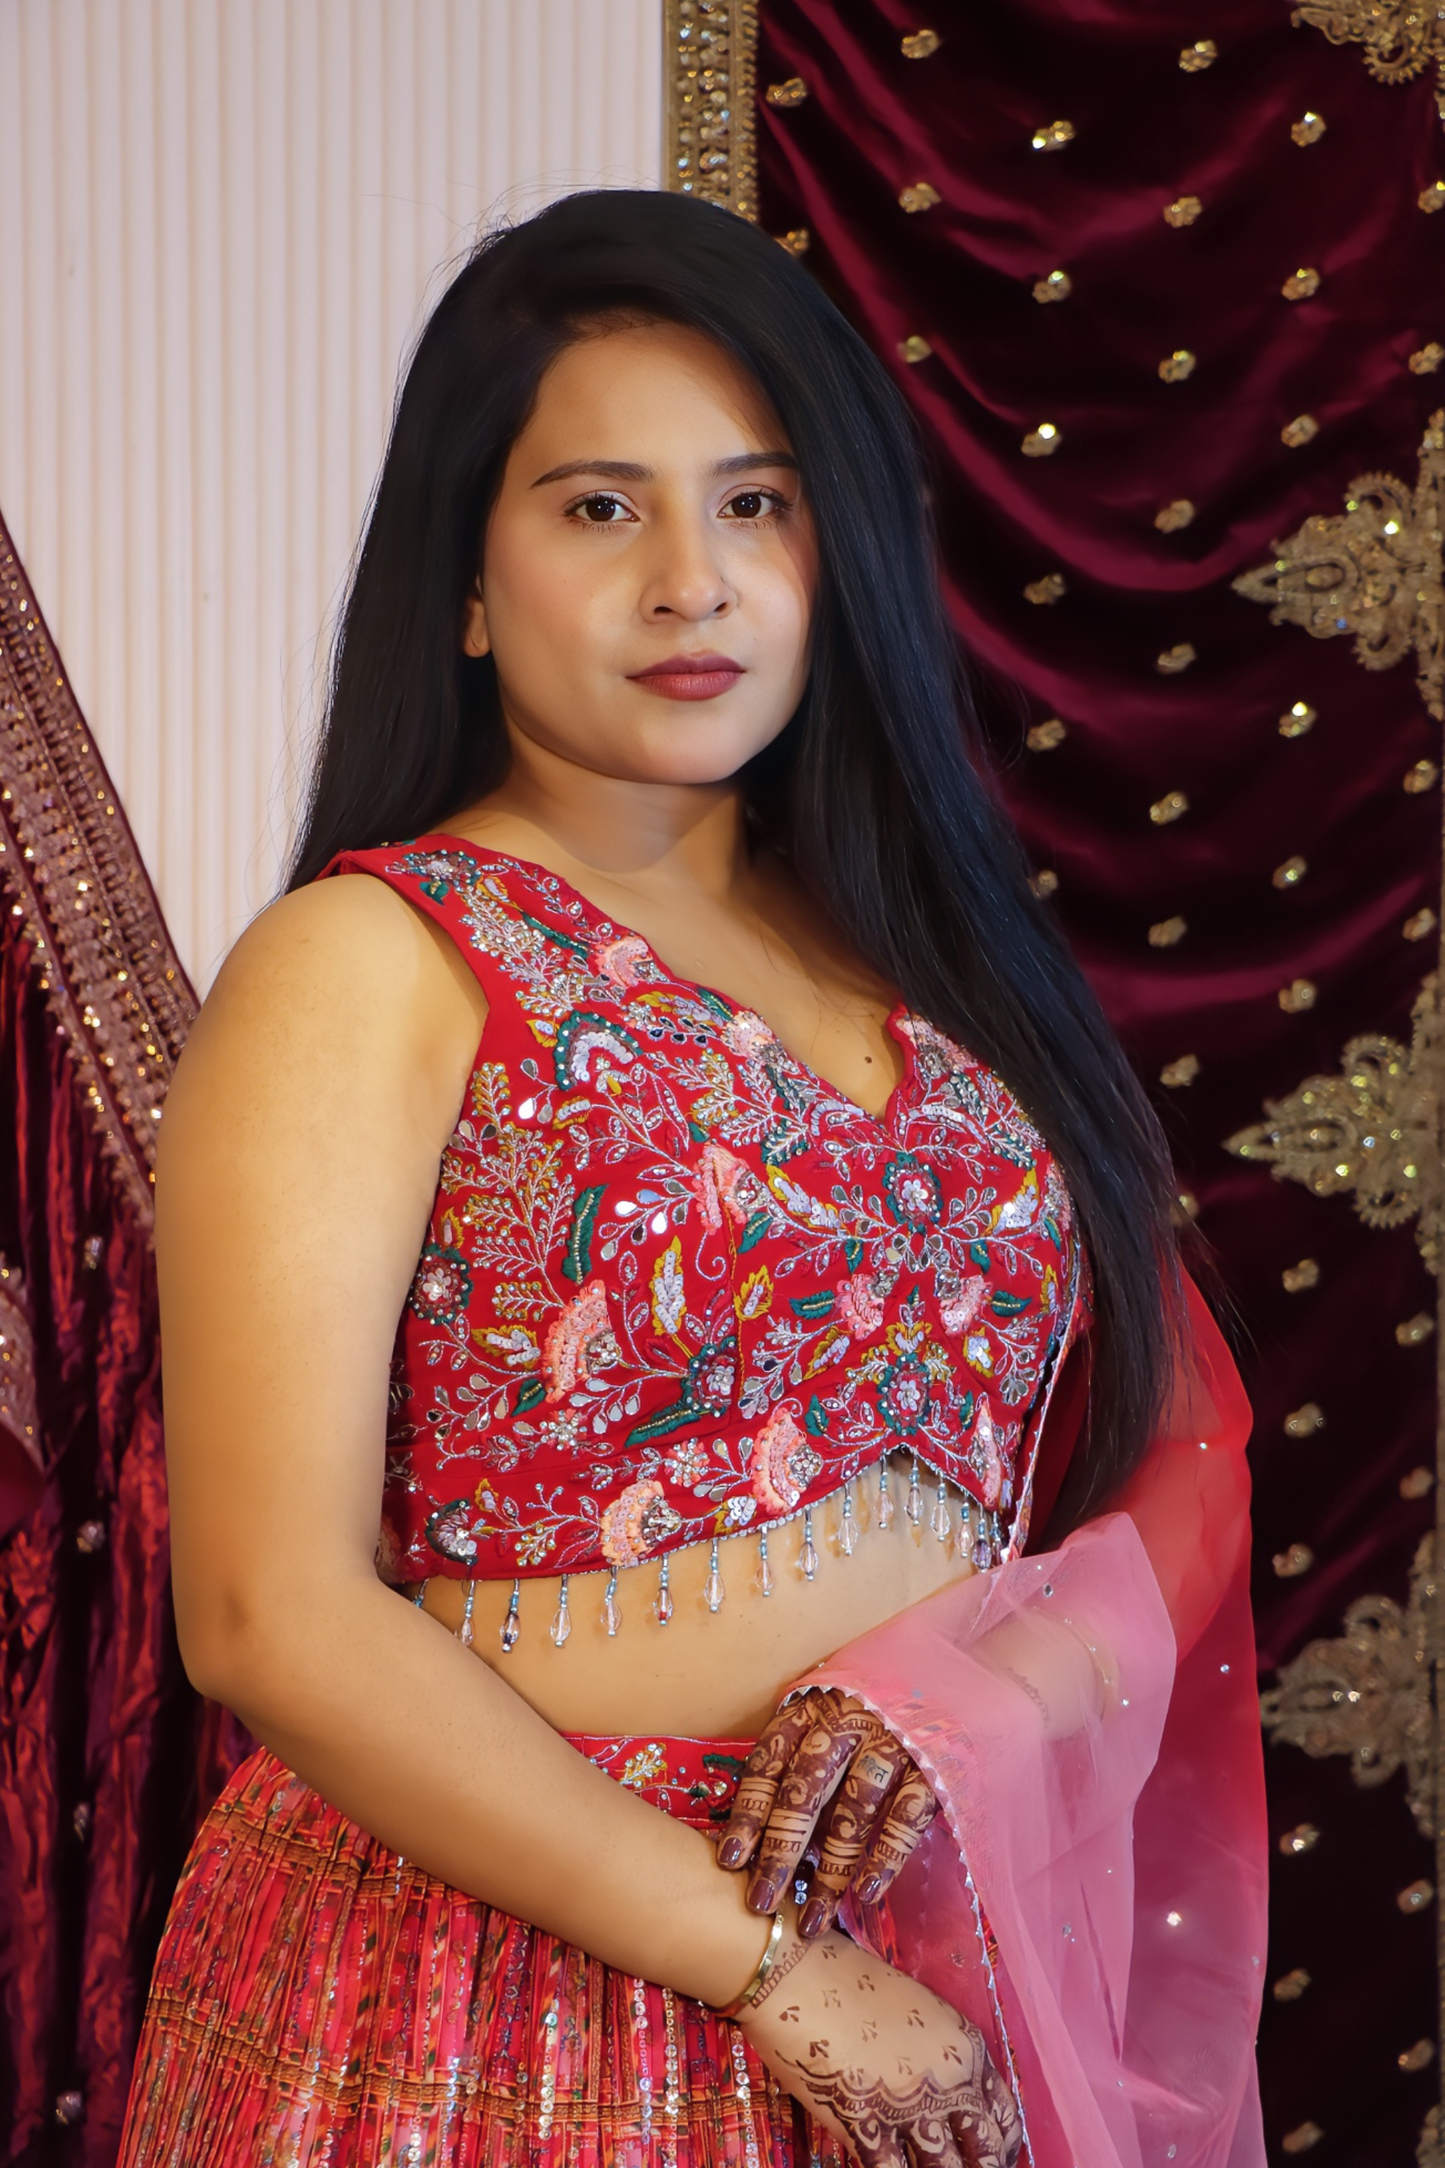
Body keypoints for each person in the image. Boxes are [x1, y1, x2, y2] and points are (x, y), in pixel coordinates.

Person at [119, 191, 1266, 2167]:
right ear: (464, 581)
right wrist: (767, 1965)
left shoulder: (944, 979)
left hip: (942, 1945)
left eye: (754, 504)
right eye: (595, 509)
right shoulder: (375, 960)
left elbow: (1161, 1438)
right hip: (511, 1977)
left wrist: (970, 1708)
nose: (689, 583)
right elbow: (264, 1606)